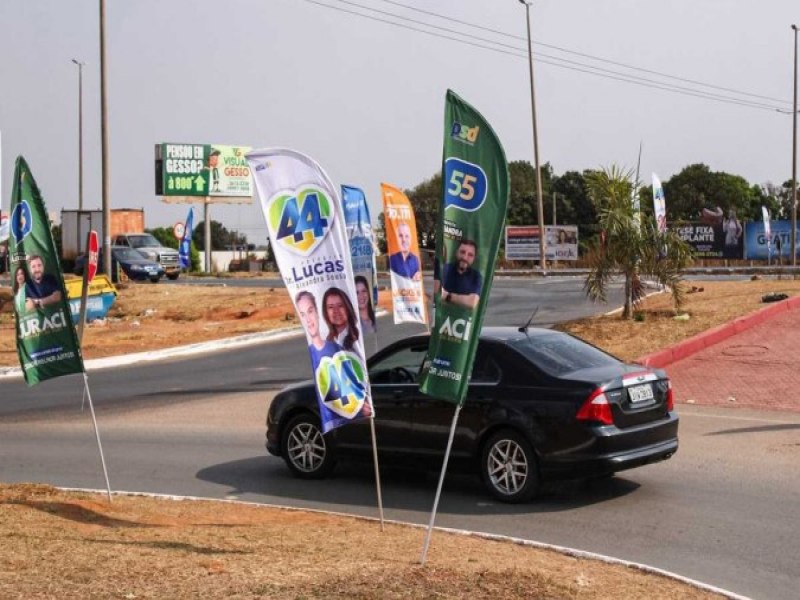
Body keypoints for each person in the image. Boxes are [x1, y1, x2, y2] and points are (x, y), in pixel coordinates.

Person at [296, 291, 341, 365]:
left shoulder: (337, 349)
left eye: (310, 311)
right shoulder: (305, 356)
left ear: (317, 312)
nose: (308, 319)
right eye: (303, 315)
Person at [438, 239, 482, 309]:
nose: (465, 257)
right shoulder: (445, 269)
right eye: (462, 252)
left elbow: (472, 302)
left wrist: (447, 296)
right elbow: (437, 294)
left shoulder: (476, 276)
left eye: (470, 255)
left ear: (474, 258)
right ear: (456, 252)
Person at [323, 287, 360, 352]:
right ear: (326, 312)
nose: (336, 311)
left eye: (340, 305)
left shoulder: (358, 338)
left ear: (348, 308)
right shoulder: (328, 340)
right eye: (331, 307)